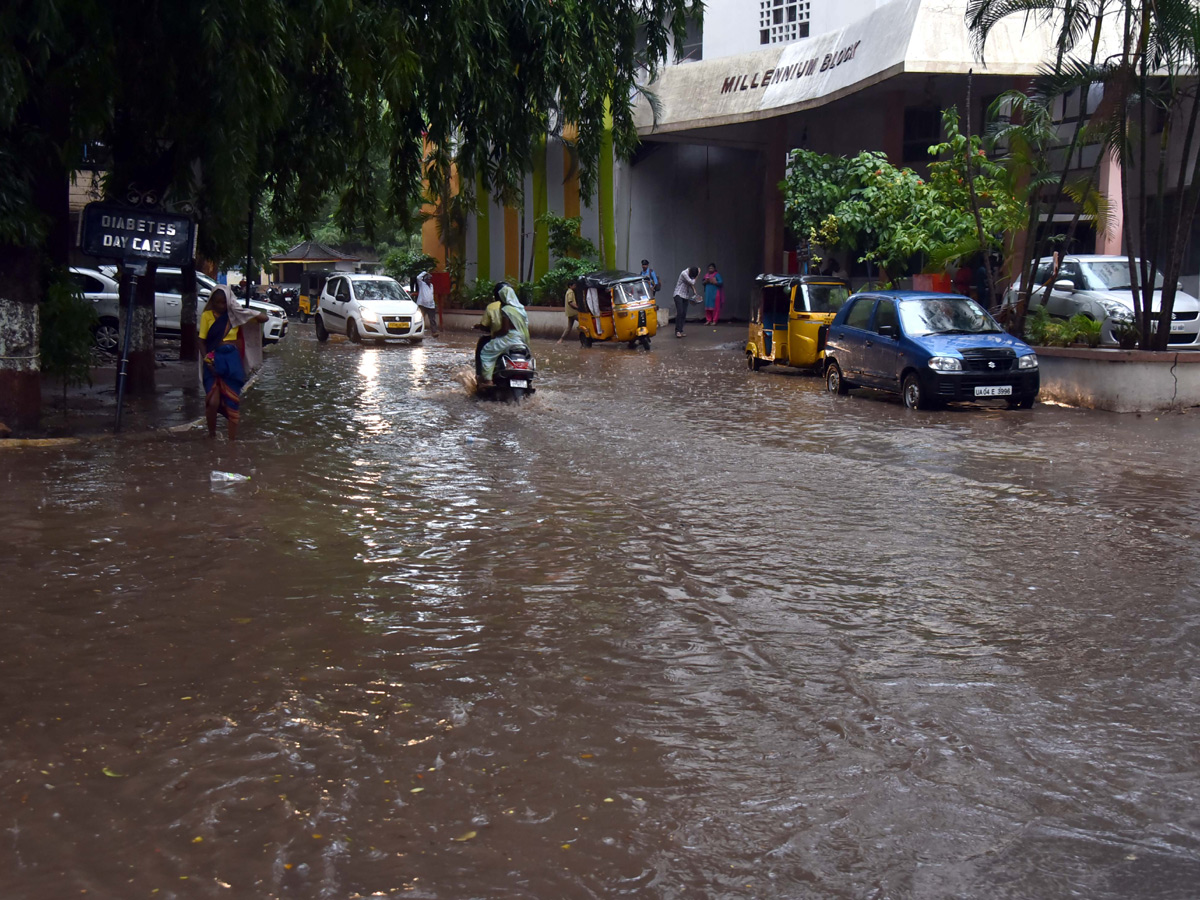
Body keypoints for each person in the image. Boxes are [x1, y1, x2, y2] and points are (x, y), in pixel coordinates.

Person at [199, 285, 268, 441]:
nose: (221, 306)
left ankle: (232, 441)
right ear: (212, 302)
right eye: (217, 302)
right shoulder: (207, 316)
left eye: (224, 302)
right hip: (213, 359)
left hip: (231, 360)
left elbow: (264, 318)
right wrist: (207, 360)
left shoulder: (234, 316)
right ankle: (211, 436)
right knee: (212, 401)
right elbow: (201, 341)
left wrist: (242, 311)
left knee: (232, 401)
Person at [477, 282, 531, 386]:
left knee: (486, 352)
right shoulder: (521, 309)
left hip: (509, 339)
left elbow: (505, 330)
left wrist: (495, 334)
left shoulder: (506, 309)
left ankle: (488, 380)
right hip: (521, 340)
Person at [672, 266, 699, 337]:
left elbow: (690, 284)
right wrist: (698, 274)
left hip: (685, 295)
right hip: (678, 294)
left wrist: (694, 291)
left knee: (684, 314)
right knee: (680, 312)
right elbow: (691, 282)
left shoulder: (689, 274)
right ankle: (677, 331)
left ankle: (680, 330)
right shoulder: (684, 273)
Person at [416, 270, 438, 335]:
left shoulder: (431, 286)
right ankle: (418, 331)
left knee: (432, 320)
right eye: (427, 279)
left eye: (430, 279)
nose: (429, 280)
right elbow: (418, 277)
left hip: (431, 305)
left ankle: (434, 332)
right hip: (422, 305)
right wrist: (425, 272)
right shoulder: (422, 284)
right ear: (425, 279)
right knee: (420, 319)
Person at [557, 278, 580, 343]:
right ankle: (581, 336)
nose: (575, 286)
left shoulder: (568, 291)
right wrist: (578, 308)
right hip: (573, 313)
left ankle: (561, 340)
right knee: (583, 321)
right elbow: (570, 302)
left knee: (569, 327)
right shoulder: (570, 292)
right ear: (570, 286)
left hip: (570, 313)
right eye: (574, 285)